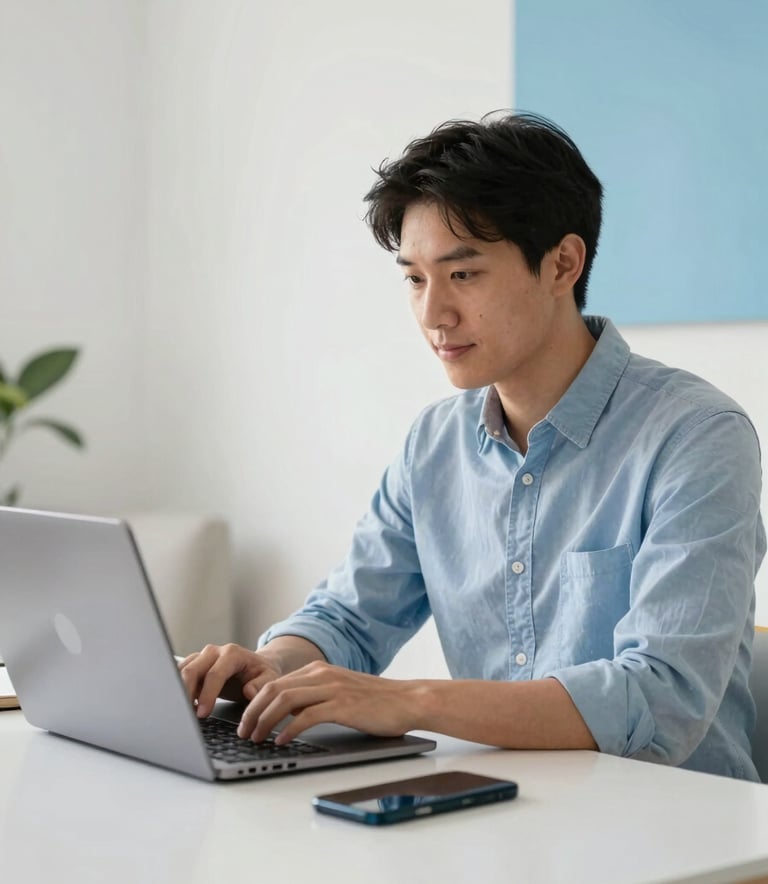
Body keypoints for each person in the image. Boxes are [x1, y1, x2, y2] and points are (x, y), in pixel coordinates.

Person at [180, 112, 766, 780]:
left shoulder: (697, 435)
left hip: (679, 829)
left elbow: (660, 702)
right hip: (507, 807)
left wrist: (410, 702)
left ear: (562, 264)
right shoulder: (435, 442)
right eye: (414, 278)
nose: (433, 315)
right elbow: (349, 617)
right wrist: (274, 665)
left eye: (463, 275)